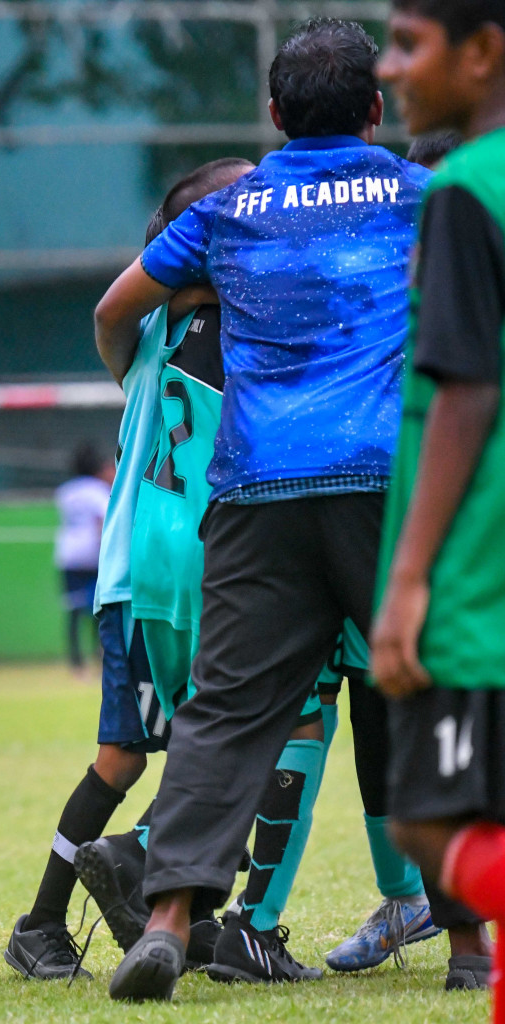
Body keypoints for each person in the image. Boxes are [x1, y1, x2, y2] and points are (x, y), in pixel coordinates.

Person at [92, 20, 435, 1002]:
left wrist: (133, 383)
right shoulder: (422, 197)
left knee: (227, 709)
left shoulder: (235, 203)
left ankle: (167, 920)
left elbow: (119, 308)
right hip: (384, 478)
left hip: (255, 490)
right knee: (444, 685)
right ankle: (470, 938)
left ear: (276, 115)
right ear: (378, 109)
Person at [3, 158, 252, 983]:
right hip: (157, 578)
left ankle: (165, 912)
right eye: (234, 204)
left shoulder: (155, 332)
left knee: (173, 750)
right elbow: (123, 307)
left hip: (151, 576)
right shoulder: (201, 330)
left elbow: (113, 318)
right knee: (154, 754)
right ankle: (62, 909)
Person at [373, 0, 505, 1015]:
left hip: (472, 566)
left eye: (409, 44)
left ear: (482, 53)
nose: (391, 65)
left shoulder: (463, 188)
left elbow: (466, 388)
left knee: (427, 822)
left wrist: (409, 577)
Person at [320, 123, 466, 978]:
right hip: (388, 523)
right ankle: (422, 904)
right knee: (383, 700)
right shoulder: (379, 292)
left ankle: (464, 927)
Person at [53, 444, 111, 675]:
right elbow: (101, 520)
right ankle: (101, 657)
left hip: (68, 554)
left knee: (74, 611)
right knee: (99, 610)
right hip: (93, 556)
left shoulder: (65, 491)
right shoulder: (99, 490)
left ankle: (76, 664)